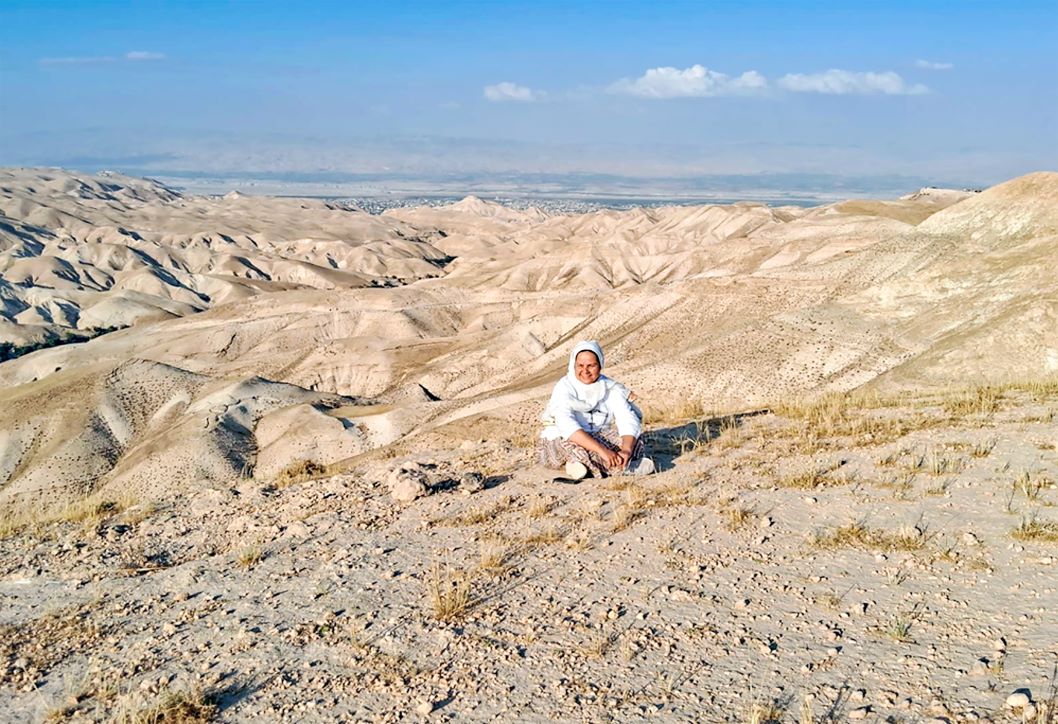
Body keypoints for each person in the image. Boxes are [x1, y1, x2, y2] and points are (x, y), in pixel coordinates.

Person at [537, 340, 655, 481]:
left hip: (599, 435)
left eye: (591, 366)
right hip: (571, 436)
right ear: (573, 365)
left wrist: (626, 450)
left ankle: (592, 466)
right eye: (580, 366)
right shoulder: (564, 387)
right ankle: (620, 468)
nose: (585, 371)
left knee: (633, 440)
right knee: (568, 445)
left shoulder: (610, 387)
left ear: (600, 365)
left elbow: (627, 417)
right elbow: (566, 425)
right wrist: (602, 451)